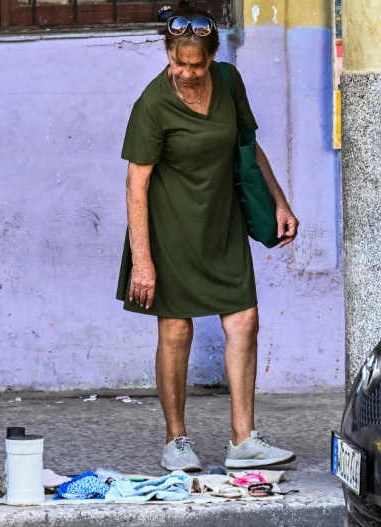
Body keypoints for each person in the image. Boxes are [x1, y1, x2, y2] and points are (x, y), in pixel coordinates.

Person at [116, 2, 299, 472]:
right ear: (168, 54)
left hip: (222, 221)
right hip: (169, 227)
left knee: (244, 320)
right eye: (179, 63)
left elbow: (247, 144)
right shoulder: (152, 105)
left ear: (213, 57)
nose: (188, 74)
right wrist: (143, 260)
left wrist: (278, 201)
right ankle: (176, 441)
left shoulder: (230, 83)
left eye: (197, 65)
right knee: (176, 329)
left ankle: (243, 440)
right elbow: (136, 183)